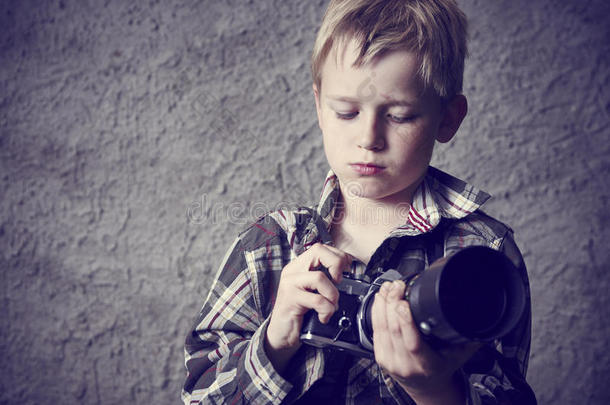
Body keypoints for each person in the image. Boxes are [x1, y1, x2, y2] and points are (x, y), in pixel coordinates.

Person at [182, 0, 536, 403]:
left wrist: (433, 388)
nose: (369, 138)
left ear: (448, 118)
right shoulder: (268, 246)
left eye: (400, 116)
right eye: (346, 112)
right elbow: (199, 396)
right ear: (319, 106)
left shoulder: (482, 254)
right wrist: (275, 341)